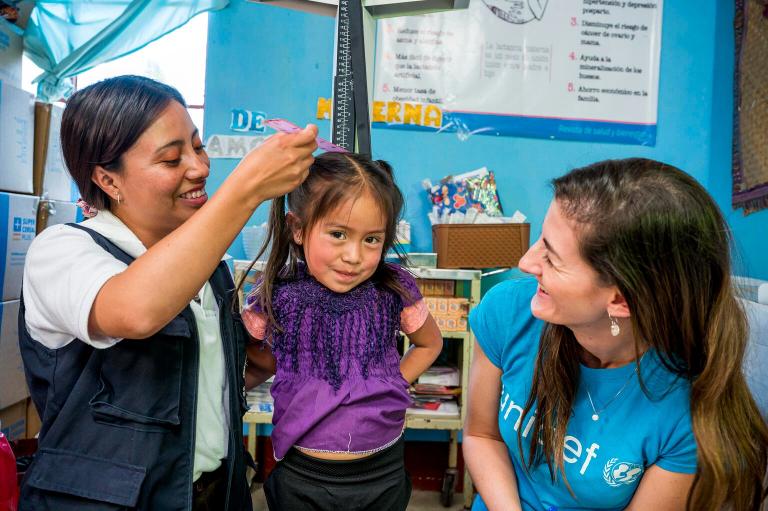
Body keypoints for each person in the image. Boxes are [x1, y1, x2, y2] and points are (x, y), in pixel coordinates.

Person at [18, 75, 318, 510]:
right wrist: (246, 188)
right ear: (107, 179)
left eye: (197, 147)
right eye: (171, 158)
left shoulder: (210, 265)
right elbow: (136, 311)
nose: (198, 167)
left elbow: (212, 378)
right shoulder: (63, 250)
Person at [463, 158, 768, 511]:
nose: (527, 263)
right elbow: (480, 434)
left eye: (552, 257)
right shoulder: (510, 311)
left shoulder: (687, 413)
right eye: (540, 241)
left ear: (620, 299)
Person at [239, 152, 444, 510]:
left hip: (383, 471)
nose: (354, 255)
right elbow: (253, 362)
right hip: (302, 474)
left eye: (372, 240)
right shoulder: (276, 292)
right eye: (338, 234)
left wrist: (392, 381)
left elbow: (429, 344)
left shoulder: (394, 288)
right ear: (298, 228)